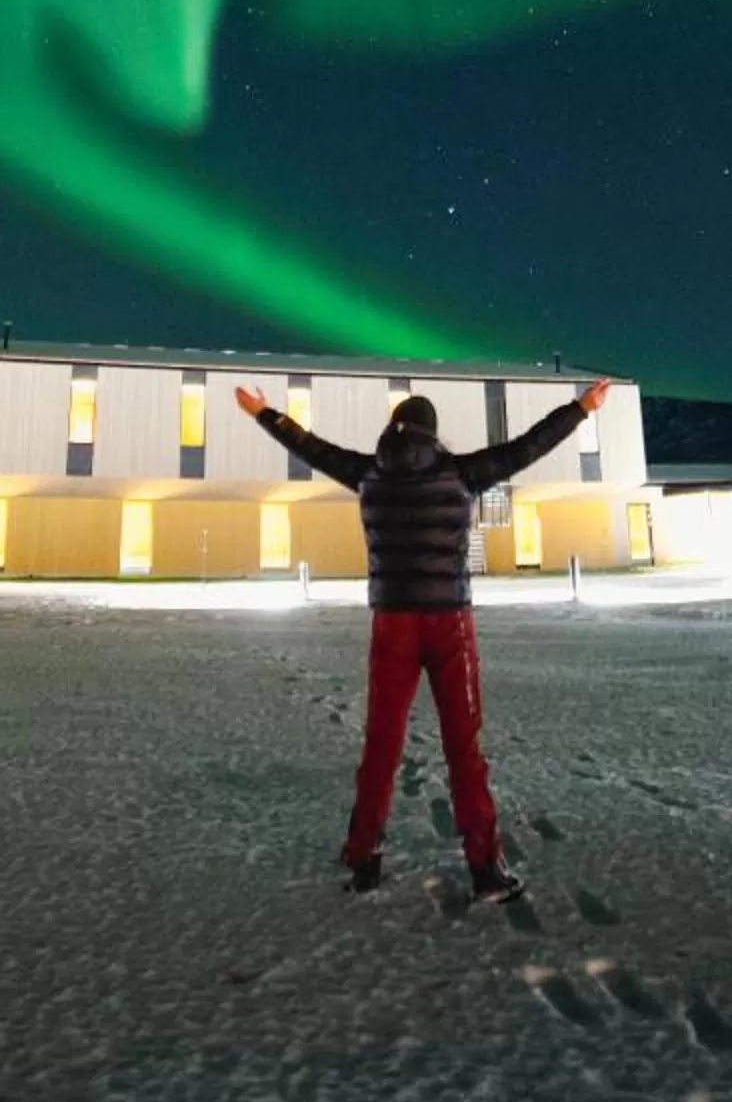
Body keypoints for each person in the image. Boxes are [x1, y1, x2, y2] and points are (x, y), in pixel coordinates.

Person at [235, 375, 612, 901]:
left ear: (393, 430)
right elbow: (528, 446)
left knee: (382, 745)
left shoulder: (365, 472)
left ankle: (363, 856)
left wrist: (264, 413)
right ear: (433, 434)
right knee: (464, 748)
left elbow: (309, 446)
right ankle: (485, 869)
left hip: (392, 622)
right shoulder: (461, 472)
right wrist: (581, 408)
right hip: (449, 623)